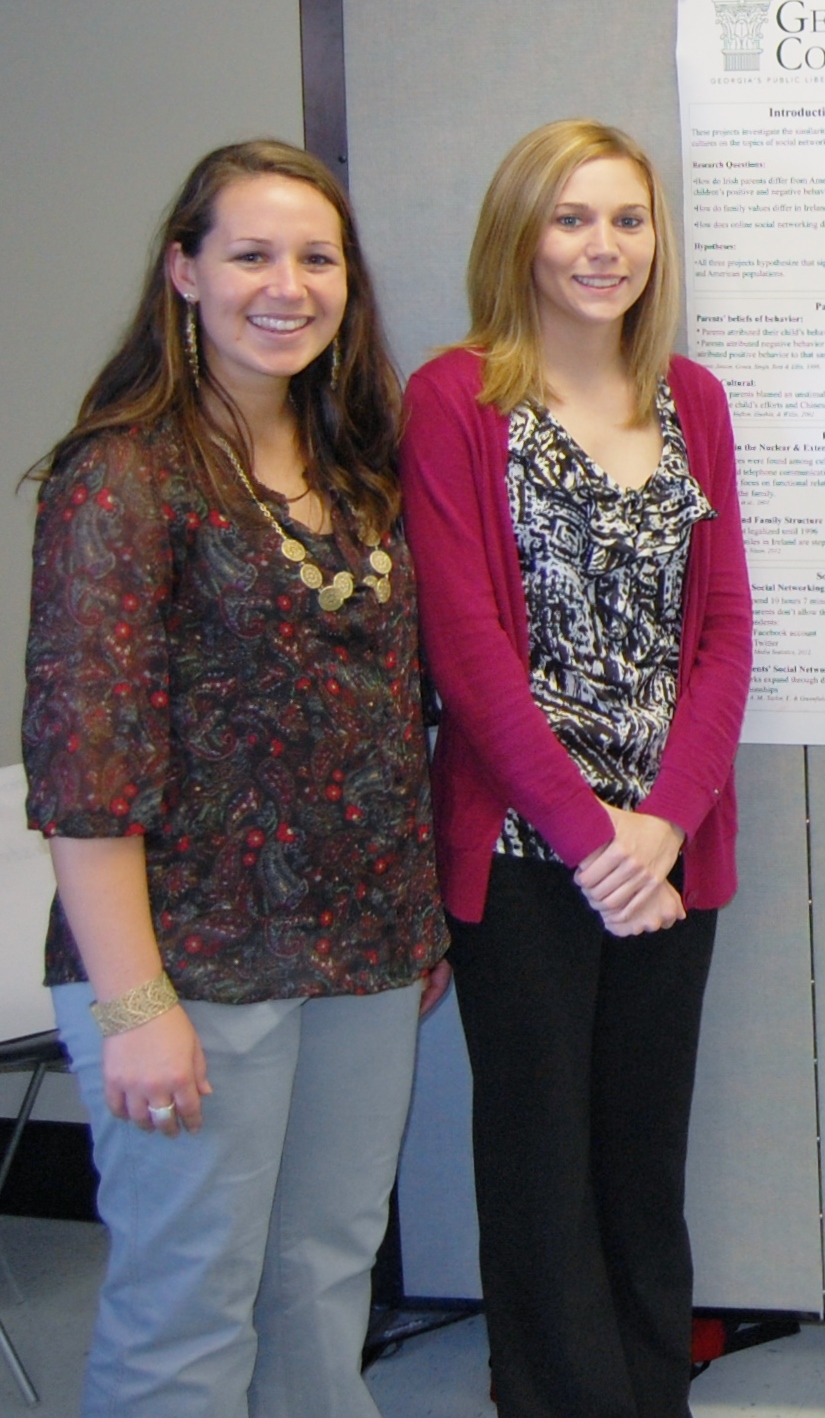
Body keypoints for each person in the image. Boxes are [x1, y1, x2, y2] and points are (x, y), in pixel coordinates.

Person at [25, 139, 445, 1415]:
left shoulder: (354, 469)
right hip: (195, 963)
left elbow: (381, 712)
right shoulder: (124, 474)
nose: (289, 284)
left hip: (363, 953)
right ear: (183, 271)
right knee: (189, 1305)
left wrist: (411, 919)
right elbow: (84, 764)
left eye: (317, 257)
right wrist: (133, 1000)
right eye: (251, 253)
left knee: (323, 1274)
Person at [400, 118, 753, 1418]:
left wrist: (659, 822)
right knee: (542, 1166)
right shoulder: (456, 397)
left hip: (669, 855)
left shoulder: (691, 399)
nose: (602, 246)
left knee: (640, 1165)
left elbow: (721, 632)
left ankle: (651, 1396)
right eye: (571, 217)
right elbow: (465, 644)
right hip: (527, 854)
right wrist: (590, 837)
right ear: (520, 235)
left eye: (625, 219)